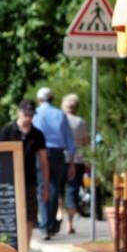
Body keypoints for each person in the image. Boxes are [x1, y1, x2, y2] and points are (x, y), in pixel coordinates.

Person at [0, 99, 49, 245]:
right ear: (19, 112)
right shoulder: (7, 131)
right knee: (9, 216)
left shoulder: (37, 134)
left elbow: (44, 161)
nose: (29, 118)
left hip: (29, 182)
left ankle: (25, 250)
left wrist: (45, 186)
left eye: (31, 115)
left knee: (29, 216)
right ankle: (12, 248)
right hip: (9, 183)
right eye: (26, 114)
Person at [34, 87, 76, 238]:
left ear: (39, 100)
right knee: (53, 189)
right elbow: (69, 141)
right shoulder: (60, 114)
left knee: (42, 187)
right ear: (52, 99)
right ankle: (50, 224)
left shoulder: (36, 113)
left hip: (41, 153)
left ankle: (46, 225)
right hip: (58, 154)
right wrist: (71, 163)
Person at [61, 93, 90, 234]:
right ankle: (70, 223)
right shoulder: (80, 122)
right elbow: (86, 142)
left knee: (59, 190)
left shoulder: (60, 120)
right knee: (72, 191)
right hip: (78, 160)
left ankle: (59, 215)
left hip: (60, 159)